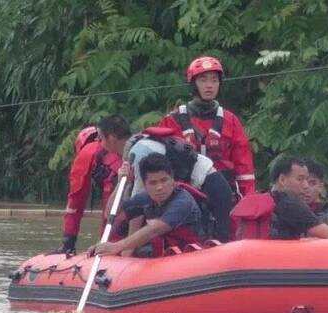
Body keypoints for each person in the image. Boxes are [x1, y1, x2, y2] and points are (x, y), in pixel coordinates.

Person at [97, 114, 233, 241]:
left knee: (220, 237)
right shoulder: (137, 149)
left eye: (101, 138)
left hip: (211, 184)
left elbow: (137, 212)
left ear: (111, 137)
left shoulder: (139, 152)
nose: (99, 142)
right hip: (200, 185)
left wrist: (128, 251)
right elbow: (119, 211)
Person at [230, 155, 328, 263]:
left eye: (307, 180)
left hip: (251, 262)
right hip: (276, 265)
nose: (305, 185)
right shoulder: (291, 205)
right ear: (282, 180)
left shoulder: (265, 199)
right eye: (300, 179)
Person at [157, 56, 255, 198]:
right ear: (193, 84)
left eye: (214, 80)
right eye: (203, 80)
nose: (209, 85)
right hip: (184, 193)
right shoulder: (173, 120)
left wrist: (248, 199)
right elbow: (158, 160)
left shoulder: (231, 121)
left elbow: (244, 166)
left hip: (223, 193)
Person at [89, 153, 204, 257]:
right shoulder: (145, 198)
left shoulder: (183, 202)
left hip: (188, 255)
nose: (159, 187)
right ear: (144, 185)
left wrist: (117, 246)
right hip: (163, 255)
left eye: (164, 180)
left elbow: (155, 230)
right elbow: (111, 214)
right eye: (153, 183)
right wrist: (122, 184)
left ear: (172, 179)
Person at [52, 126, 122, 255]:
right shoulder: (118, 144)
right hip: (134, 183)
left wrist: (68, 242)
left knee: (111, 222)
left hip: (116, 186)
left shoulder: (88, 151)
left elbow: (75, 200)